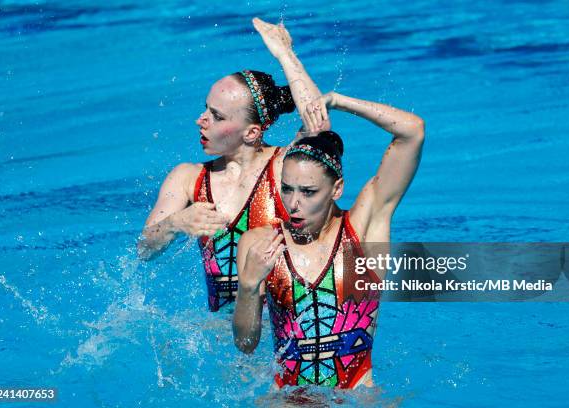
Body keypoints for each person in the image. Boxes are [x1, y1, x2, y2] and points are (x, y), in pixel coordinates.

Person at [233, 90, 425, 389]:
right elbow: (245, 344)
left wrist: (339, 101)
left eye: (308, 192)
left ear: (336, 189)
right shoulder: (260, 243)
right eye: (287, 189)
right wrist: (247, 287)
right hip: (285, 399)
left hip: (356, 398)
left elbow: (412, 132)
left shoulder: (362, 231)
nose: (293, 203)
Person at [138, 18, 331, 312]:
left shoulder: (283, 168)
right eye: (205, 108)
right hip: (219, 333)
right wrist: (176, 223)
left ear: (251, 132)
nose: (200, 120)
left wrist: (285, 54)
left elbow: (318, 125)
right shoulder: (188, 178)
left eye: (217, 116)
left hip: (285, 327)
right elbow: (144, 249)